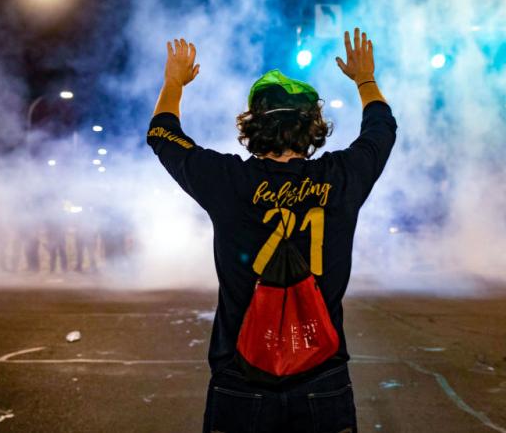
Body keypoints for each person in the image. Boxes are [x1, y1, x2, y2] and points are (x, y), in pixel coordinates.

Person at [146, 27, 396, 433]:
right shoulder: (341, 177)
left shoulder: (227, 179)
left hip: (241, 375)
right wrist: (365, 79)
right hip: (322, 375)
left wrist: (173, 82)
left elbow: (162, 134)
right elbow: (381, 130)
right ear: (313, 125)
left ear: (252, 125)